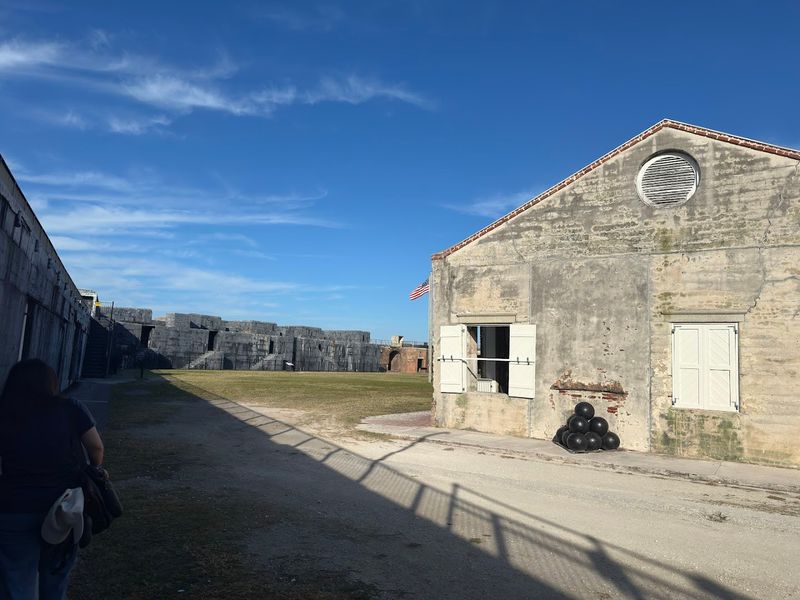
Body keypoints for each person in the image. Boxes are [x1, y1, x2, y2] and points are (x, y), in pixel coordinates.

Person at [0, 359, 104, 600]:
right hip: (62, 505)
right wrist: (95, 470)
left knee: (16, 581)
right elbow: (96, 449)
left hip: (12, 507)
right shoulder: (71, 408)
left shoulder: (4, 412)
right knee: (56, 578)